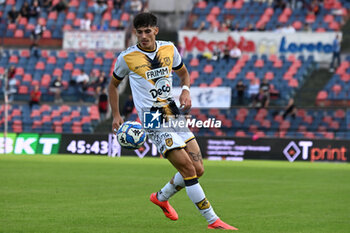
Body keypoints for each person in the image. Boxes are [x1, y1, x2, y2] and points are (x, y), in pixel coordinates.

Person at [108, 12, 238, 230]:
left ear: (155, 31)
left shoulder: (169, 49)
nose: (143, 36)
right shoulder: (126, 58)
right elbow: (112, 86)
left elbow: (184, 74)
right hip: (152, 119)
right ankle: (212, 219)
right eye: (139, 32)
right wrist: (116, 114)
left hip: (174, 113)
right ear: (135, 33)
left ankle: (160, 197)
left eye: (147, 31)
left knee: (198, 168)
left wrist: (186, 90)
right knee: (188, 169)